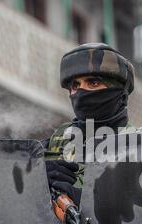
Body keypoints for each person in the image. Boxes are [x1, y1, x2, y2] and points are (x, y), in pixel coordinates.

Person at [43, 43, 136, 207]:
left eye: (93, 83)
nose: (81, 93)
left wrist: (85, 200)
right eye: (75, 86)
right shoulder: (56, 144)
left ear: (120, 95)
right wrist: (39, 182)